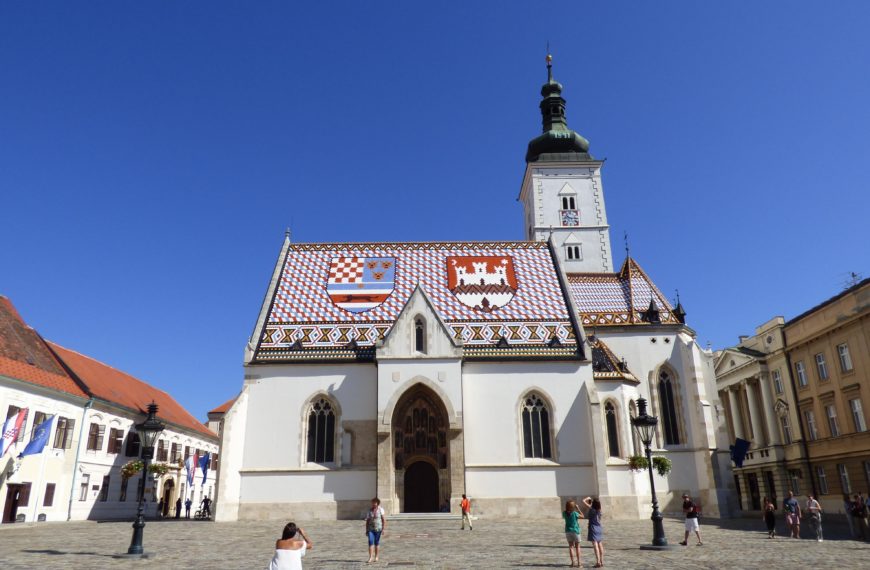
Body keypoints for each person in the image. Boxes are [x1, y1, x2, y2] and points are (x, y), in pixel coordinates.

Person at [582, 496, 604, 568]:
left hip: (593, 527)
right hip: (599, 527)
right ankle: (602, 560)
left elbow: (583, 501)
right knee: (600, 544)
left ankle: (598, 561)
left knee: (595, 545)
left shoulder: (592, 509)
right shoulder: (599, 510)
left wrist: (587, 498)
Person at [562, 500, 583, 567]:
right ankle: (579, 563)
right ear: (573, 506)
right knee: (577, 547)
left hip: (568, 531)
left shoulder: (564, 513)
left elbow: (564, 516)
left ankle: (573, 562)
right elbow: (583, 516)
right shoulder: (575, 513)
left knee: (571, 547)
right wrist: (578, 508)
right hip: (575, 531)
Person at [365, 497, 386, 564]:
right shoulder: (369, 510)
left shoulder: (381, 510)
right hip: (370, 529)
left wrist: (383, 529)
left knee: (376, 542)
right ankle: (370, 557)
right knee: (370, 542)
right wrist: (366, 530)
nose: (373, 504)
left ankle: (376, 556)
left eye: (375, 502)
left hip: (378, 528)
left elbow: (383, 520)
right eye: (372, 502)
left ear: (377, 503)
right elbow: (367, 521)